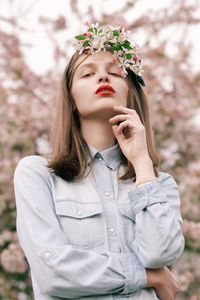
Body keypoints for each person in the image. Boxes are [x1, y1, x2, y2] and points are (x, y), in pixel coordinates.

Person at [13, 22, 185, 300]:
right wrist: (147, 276)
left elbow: (160, 252)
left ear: (131, 91)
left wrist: (141, 162)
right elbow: (52, 273)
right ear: (70, 96)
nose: (103, 77)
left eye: (115, 72)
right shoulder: (37, 174)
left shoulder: (159, 184)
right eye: (88, 73)